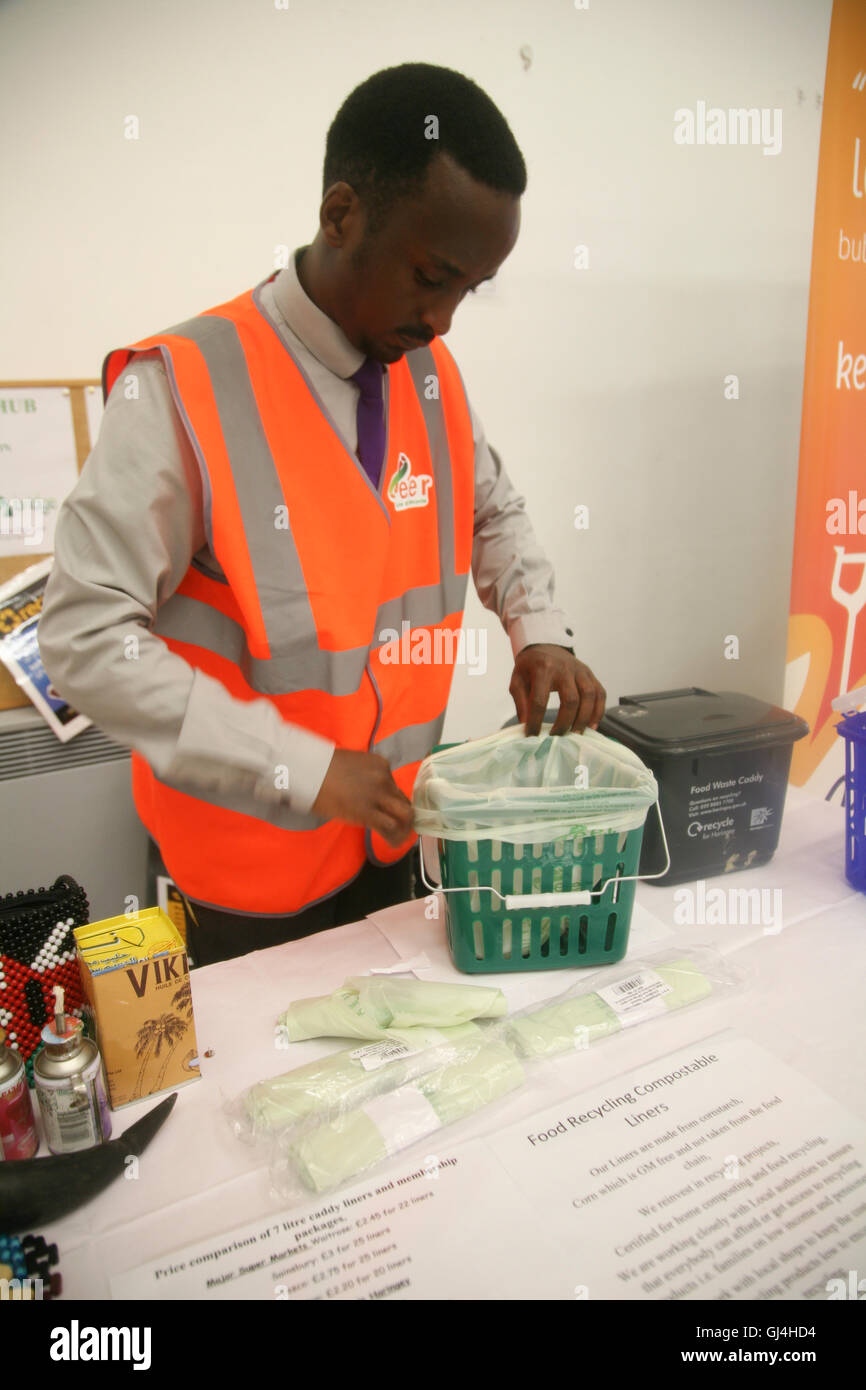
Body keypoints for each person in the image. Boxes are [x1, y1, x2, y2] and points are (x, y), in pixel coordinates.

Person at [38, 62, 606, 966]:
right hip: (246, 883)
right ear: (341, 215)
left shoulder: (426, 369)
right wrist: (300, 769)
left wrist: (541, 631)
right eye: (432, 276)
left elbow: (491, 507)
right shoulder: (181, 389)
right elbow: (83, 637)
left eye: (472, 288)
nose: (447, 319)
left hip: (394, 839)